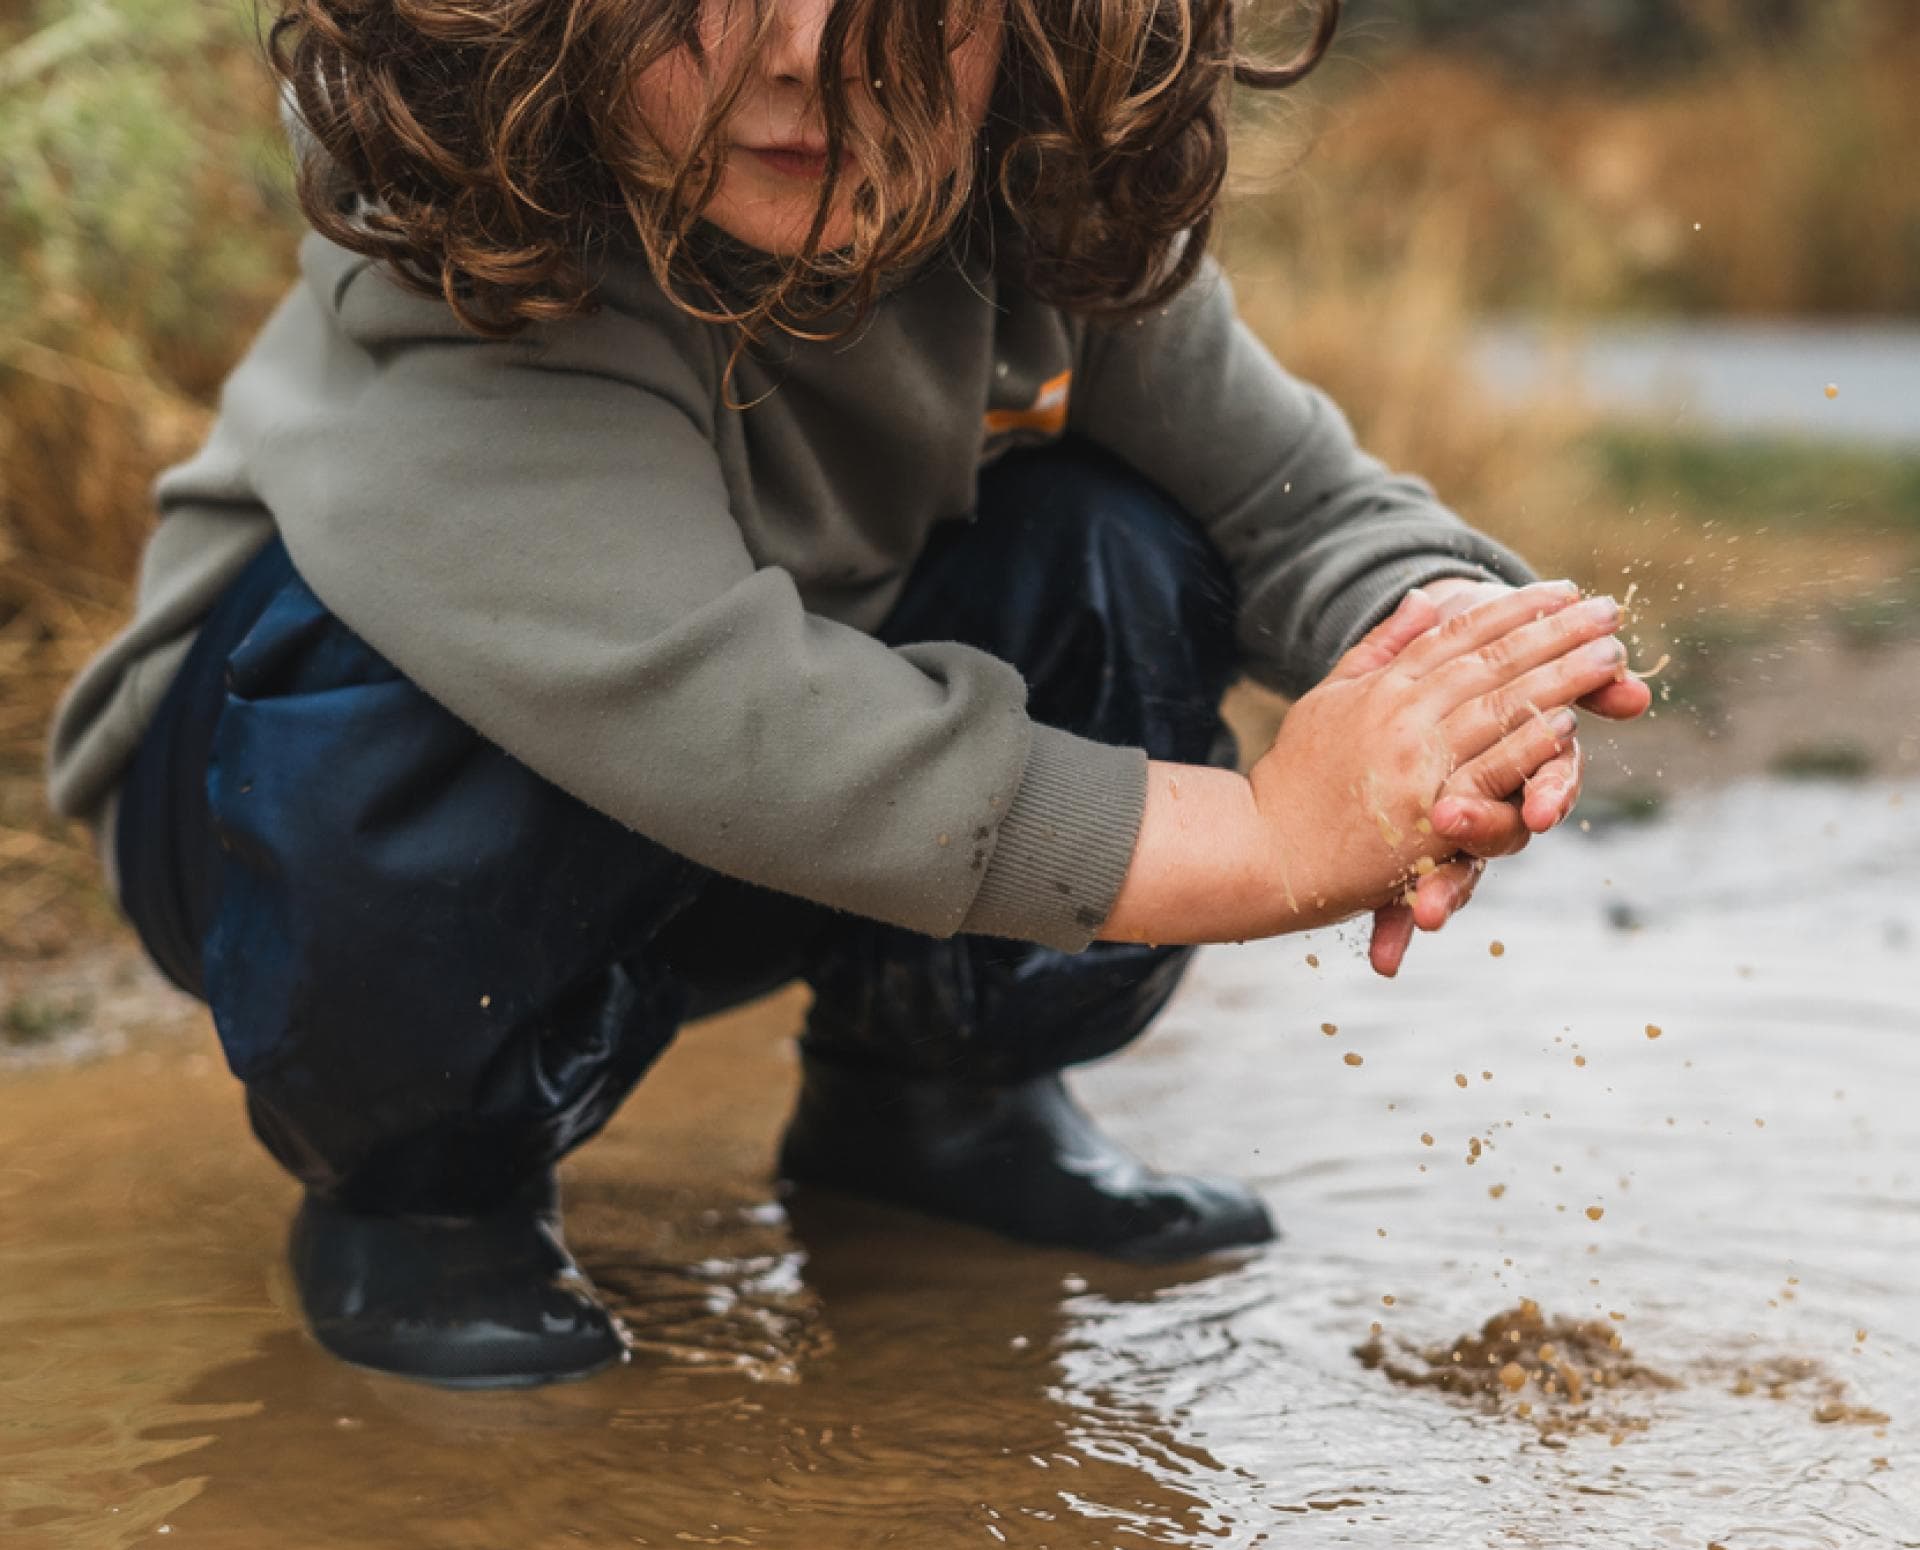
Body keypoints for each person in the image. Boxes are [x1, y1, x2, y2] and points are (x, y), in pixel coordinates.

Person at [46, 0, 1647, 1389]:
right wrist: (1276, 840)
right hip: (292, 810)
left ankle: (938, 1111)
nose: (807, 56)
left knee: (1116, 543)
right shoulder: (475, 251)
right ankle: (422, 1190)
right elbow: (730, 716)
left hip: (754, 809)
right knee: (414, 703)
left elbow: (1286, 500)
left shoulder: (1021, 190)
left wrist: (1457, 655)